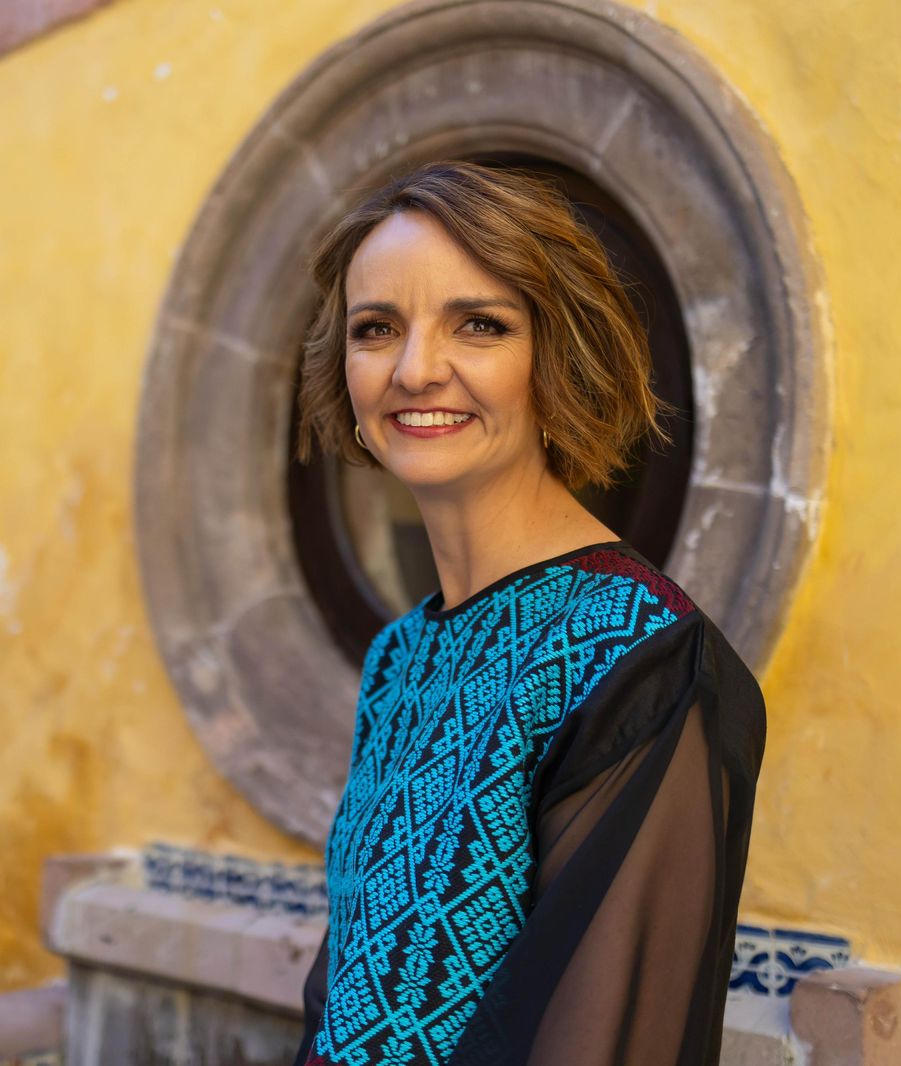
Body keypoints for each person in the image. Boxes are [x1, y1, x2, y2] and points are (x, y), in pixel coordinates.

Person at [290, 160, 766, 1066]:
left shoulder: (641, 657)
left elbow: (611, 1045)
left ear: (559, 360)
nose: (415, 370)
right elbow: (347, 1003)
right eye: (376, 328)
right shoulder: (400, 657)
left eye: (480, 324)